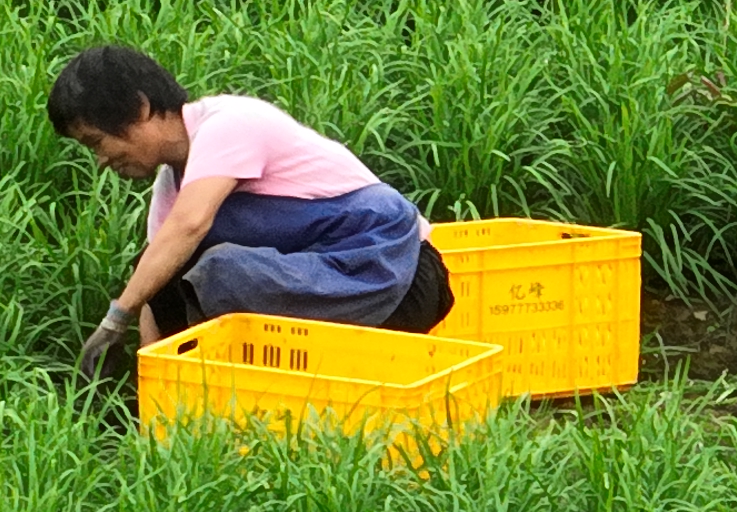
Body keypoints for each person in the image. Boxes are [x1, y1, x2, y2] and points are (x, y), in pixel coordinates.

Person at [46, 44, 455, 378]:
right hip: (320, 286)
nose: (100, 160)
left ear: (139, 108)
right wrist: (155, 384)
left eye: (97, 142)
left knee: (216, 269)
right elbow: (157, 289)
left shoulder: (230, 124)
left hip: (400, 278)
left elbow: (189, 226)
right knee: (162, 268)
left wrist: (114, 321)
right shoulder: (172, 187)